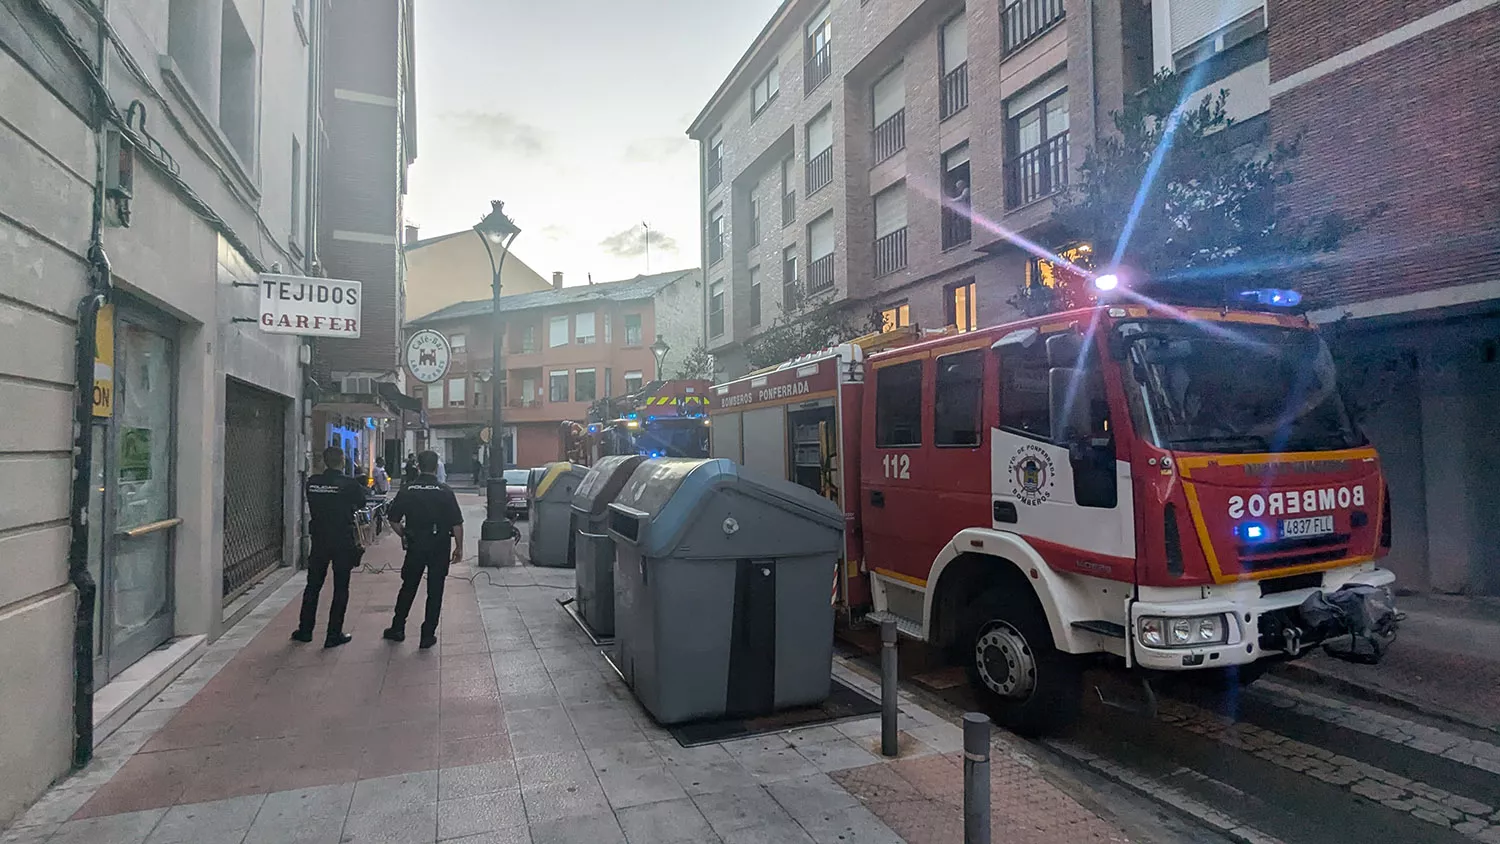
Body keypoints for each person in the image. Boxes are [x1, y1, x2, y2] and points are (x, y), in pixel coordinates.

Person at [382, 450, 464, 648]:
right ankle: (427, 635)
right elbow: (457, 523)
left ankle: (398, 627)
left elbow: (392, 519)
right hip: (439, 545)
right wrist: (459, 548)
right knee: (435, 590)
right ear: (436, 467)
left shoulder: (407, 490)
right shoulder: (444, 491)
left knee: (408, 586)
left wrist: (405, 534)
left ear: (418, 465)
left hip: (416, 544)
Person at [295, 446, 368, 647]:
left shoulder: (313, 483)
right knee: (341, 587)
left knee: (313, 585)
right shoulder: (349, 484)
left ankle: (305, 630)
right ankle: (333, 633)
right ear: (342, 461)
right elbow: (361, 503)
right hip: (342, 539)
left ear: (324, 462)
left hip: (319, 538)